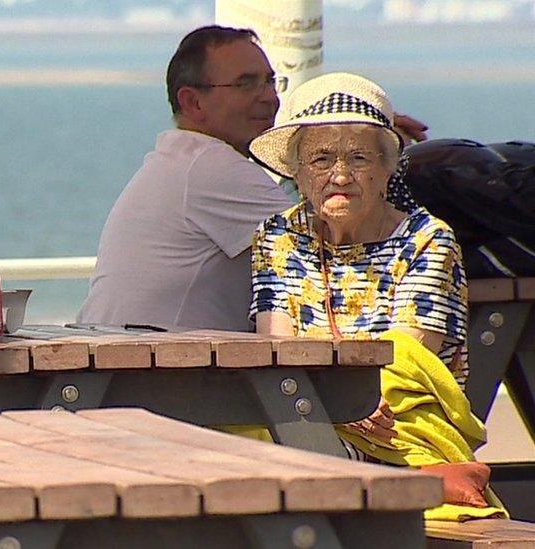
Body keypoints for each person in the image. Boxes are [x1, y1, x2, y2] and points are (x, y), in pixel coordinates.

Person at [247, 72, 504, 518]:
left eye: (359, 157)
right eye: (322, 158)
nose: (340, 175)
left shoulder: (426, 239)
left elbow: (402, 363)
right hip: (303, 408)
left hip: (398, 431)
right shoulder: (278, 236)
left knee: (286, 476)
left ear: (387, 168)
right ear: (298, 173)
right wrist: (332, 401)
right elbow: (275, 349)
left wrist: (339, 399)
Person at [76, 25, 429, 330]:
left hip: (131, 367)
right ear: (193, 103)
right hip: (155, 381)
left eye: (270, 81)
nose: (269, 98)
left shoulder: (181, 161)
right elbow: (342, 235)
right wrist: (370, 144)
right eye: (246, 85)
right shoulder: (209, 166)